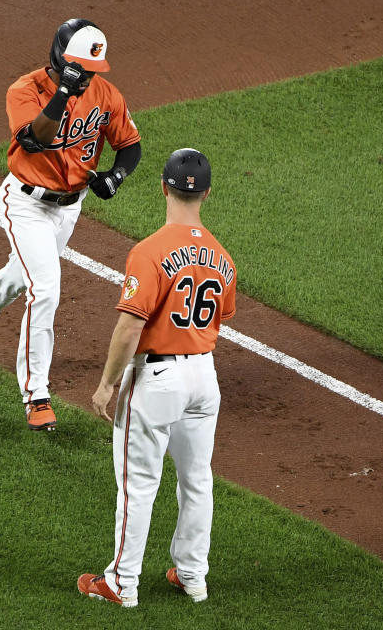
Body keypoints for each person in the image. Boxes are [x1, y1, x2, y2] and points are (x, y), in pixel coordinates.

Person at [0, 18, 142, 431]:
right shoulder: (25, 90)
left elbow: (130, 146)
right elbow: (37, 138)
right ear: (59, 58)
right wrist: (64, 92)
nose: (88, 77)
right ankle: (36, 396)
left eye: (92, 70)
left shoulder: (106, 95)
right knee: (46, 288)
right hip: (25, 203)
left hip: (68, 209)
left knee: (22, 278)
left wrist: (115, 177)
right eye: (80, 69)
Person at [77, 148, 236, 608]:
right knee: (197, 479)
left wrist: (107, 384)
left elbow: (130, 327)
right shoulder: (223, 258)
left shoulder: (148, 252)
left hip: (158, 378)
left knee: (139, 485)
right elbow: (219, 317)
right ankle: (192, 576)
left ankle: (121, 584)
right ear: (207, 193)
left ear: (162, 186)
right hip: (204, 378)